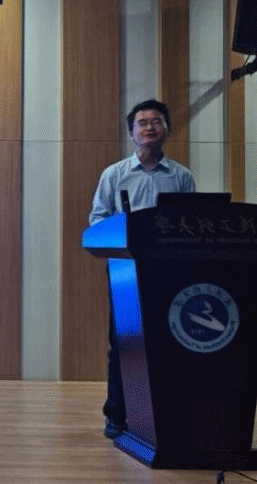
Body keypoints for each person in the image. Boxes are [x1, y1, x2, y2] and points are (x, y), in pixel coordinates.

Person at [89, 99, 195, 439]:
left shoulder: (181, 177)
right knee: (124, 345)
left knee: (168, 342)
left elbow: (191, 224)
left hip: (169, 273)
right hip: (126, 272)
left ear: (167, 129)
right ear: (132, 132)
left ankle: (165, 415)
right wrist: (124, 231)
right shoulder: (114, 174)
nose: (149, 127)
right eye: (142, 123)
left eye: (156, 121)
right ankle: (117, 415)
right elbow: (97, 221)